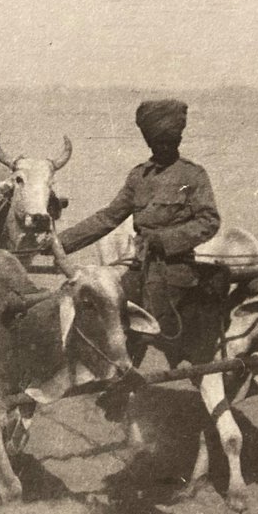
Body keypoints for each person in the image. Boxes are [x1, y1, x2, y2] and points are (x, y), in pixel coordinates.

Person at [57, 99, 221, 339]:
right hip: (137, 269)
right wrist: (60, 243)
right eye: (158, 142)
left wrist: (164, 240)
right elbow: (108, 217)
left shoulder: (193, 175)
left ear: (179, 141)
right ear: (149, 142)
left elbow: (209, 222)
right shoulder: (138, 177)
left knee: (144, 330)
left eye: (171, 142)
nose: (165, 147)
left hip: (176, 273)